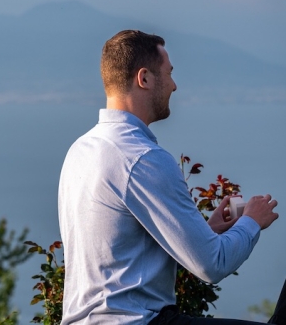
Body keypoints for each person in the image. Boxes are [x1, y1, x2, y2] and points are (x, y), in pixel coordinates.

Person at [58, 30, 284, 324]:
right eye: (169, 73)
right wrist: (253, 220)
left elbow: (119, 252)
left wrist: (206, 231)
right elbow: (213, 265)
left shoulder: (81, 150)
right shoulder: (142, 157)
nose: (175, 86)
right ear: (145, 79)